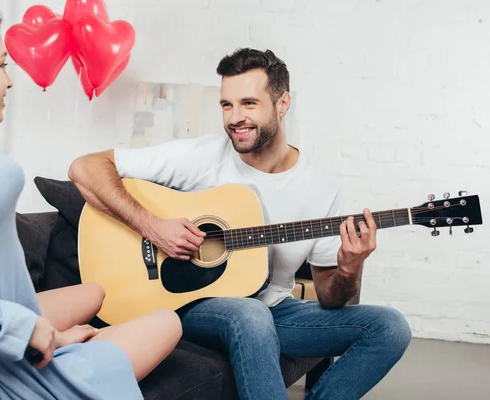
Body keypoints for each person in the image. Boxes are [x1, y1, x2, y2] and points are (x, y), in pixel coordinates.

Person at [68, 47, 413, 399]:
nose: (234, 118)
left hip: (275, 309)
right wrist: (152, 226)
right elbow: (85, 167)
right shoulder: (202, 155)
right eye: (226, 105)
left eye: (249, 103)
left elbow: (330, 296)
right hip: (190, 303)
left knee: (390, 328)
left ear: (282, 103)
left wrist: (349, 268)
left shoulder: (320, 185)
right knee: (250, 315)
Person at [0, 1, 182, 399]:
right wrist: (24, 328)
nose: (10, 81)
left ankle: (66, 341)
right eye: (2, 65)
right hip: (12, 377)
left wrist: (53, 335)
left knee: (93, 293)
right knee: (168, 321)